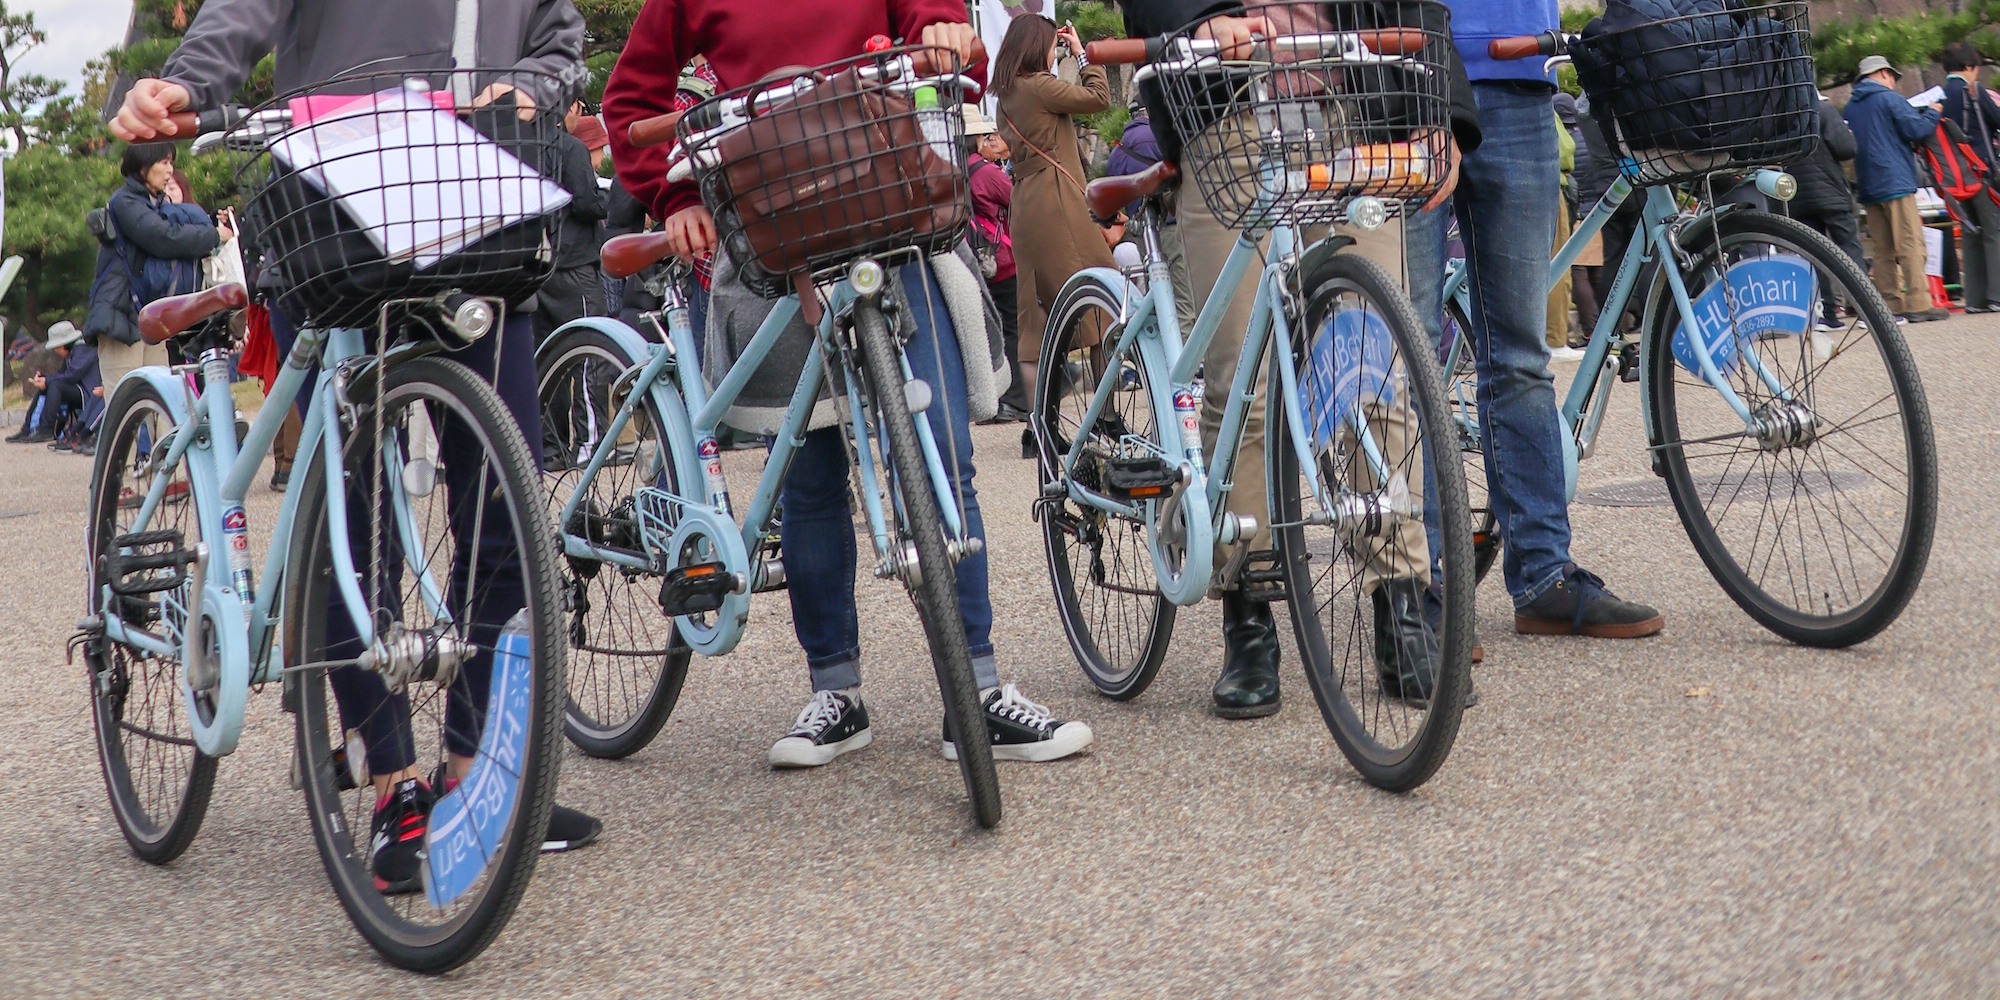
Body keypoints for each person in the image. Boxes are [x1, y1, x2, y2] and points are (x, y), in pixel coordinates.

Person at [112, 0, 602, 893]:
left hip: (477, 195)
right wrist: (183, 83)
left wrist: (526, 87)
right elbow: (246, 10)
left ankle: (477, 774)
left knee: (506, 501)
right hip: (335, 199)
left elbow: (557, 36)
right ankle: (389, 783)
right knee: (355, 511)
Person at [603, 0, 1093, 769]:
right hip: (772, 221)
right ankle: (835, 688)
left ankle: (979, 684)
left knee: (944, 456)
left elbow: (945, 35)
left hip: (892, 197)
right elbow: (631, 100)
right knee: (811, 473)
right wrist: (677, 197)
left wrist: (943, 35)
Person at [1117, 1, 1487, 716]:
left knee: (1371, 368)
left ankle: (1401, 607)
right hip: (1226, 106)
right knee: (1242, 384)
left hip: (1352, 104)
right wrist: (1195, 23)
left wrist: (1439, 110)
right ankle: (1248, 614)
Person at [1403, 1, 1663, 642]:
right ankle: (1418, 592)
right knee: (1409, 351)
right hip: (1402, 77)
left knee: (1520, 352)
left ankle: (1543, 574)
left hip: (1518, 73)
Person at [994, 15, 1114, 460]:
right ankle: (1106, 416)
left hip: (1025, 206)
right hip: (1058, 199)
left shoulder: (1004, 96)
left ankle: (1037, 429)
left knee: (1034, 317)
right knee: (1106, 293)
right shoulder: (1039, 86)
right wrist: (1084, 54)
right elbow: (1099, 99)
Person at [84, 144, 230, 392]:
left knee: (163, 400)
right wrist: (214, 236)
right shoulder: (125, 202)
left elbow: (179, 225)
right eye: (163, 163)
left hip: (147, 312)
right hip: (119, 314)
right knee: (127, 401)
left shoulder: (154, 202)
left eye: (171, 163)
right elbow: (164, 238)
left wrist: (213, 221)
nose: (169, 171)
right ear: (142, 167)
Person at [1845, 54, 1948, 325]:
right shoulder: (1888, 99)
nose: (1893, 82)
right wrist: (1933, 113)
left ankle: (1891, 304)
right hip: (1895, 182)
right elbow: (1916, 129)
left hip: (1868, 185)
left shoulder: (1851, 108)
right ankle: (1918, 303)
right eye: (1892, 76)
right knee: (1910, 243)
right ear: (1882, 74)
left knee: (1882, 249)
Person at [962, 102, 1030, 424]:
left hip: (973, 262)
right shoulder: (986, 172)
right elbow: (1018, 201)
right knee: (1013, 328)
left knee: (989, 332)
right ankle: (1016, 399)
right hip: (1002, 260)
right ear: (975, 139)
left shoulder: (954, 171)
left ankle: (991, 400)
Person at [1104, 95, 1195, 335]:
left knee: (1158, 298)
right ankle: (1184, 364)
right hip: (1170, 228)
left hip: (1143, 234)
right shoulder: (1159, 136)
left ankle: (1157, 360)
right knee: (1184, 302)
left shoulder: (1118, 150)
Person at [1789, 92, 1865, 328]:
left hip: (1798, 195)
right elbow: (1846, 148)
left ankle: (1828, 314)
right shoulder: (1822, 109)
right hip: (1830, 192)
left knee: (1816, 254)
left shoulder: (1779, 115)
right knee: (1849, 249)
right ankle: (1865, 311)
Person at [536, 103, 610, 339]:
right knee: (592, 342)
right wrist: (611, 198)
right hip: (573, 261)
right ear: (571, 107)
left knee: (546, 350)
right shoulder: (570, 147)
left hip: (534, 264)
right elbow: (586, 203)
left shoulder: (524, 144)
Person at [1942, 42, 2000, 313]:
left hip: (1954, 177)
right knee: (1994, 232)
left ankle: (1975, 300)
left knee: (1970, 233)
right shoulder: (1973, 91)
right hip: (1980, 171)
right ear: (1968, 67)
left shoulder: (1940, 96)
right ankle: (1996, 295)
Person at [14, 322, 98, 447]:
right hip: (78, 390)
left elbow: (72, 375)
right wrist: (44, 378)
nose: (55, 350)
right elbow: (61, 374)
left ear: (64, 345)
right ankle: (28, 428)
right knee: (51, 384)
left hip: (88, 394)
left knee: (55, 385)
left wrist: (48, 381)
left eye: (56, 347)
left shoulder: (83, 349)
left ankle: (46, 429)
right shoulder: (72, 353)